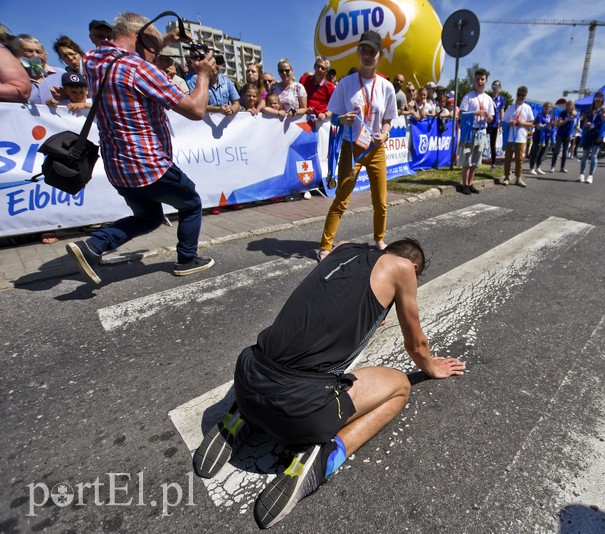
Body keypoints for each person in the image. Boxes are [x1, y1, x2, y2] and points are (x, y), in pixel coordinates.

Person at [193, 238, 466, 529]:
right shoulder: (403, 269)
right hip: (301, 411)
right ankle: (323, 457)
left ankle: (242, 417)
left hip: (248, 377)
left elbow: (335, 299)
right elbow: (416, 344)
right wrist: (432, 367)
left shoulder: (345, 248)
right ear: (413, 266)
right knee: (400, 387)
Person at [65, 12, 217, 284]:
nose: (155, 54)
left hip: (117, 168)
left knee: (148, 217)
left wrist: (167, 38)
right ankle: (187, 260)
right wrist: (203, 74)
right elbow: (195, 109)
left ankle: (92, 247)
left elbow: (126, 48)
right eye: (154, 47)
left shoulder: (92, 60)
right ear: (140, 37)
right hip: (148, 164)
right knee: (191, 203)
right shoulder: (140, 69)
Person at [318, 30, 397, 260]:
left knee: (381, 201)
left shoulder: (386, 87)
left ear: (379, 55)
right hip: (351, 148)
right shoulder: (346, 83)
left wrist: (384, 134)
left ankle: (380, 239)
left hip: (375, 149)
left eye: (371, 51)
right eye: (363, 49)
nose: (367, 55)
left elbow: (388, 120)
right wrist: (342, 119)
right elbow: (333, 115)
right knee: (342, 198)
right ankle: (325, 245)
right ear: (358, 52)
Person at [457, 68, 494, 194]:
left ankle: (471, 183)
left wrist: (489, 117)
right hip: (469, 132)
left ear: (486, 80)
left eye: (482, 79)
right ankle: (464, 184)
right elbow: (461, 114)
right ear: (474, 80)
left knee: (476, 160)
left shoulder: (488, 99)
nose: (480, 82)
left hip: (481, 132)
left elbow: (491, 118)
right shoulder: (469, 96)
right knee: (467, 157)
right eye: (478, 79)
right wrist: (475, 113)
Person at [11, 34, 65, 105]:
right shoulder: (10, 78)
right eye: (29, 51)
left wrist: (64, 97)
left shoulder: (62, 74)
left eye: (39, 52)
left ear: (45, 54)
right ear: (17, 54)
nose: (35, 56)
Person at [501, 86, 533, 187]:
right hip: (510, 137)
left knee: (519, 159)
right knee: (508, 158)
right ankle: (506, 177)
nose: (520, 97)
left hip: (521, 137)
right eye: (519, 95)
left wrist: (522, 123)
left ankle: (518, 178)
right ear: (516, 95)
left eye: (522, 95)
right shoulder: (510, 108)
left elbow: (531, 123)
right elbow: (503, 121)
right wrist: (509, 123)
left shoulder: (527, 108)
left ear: (525, 96)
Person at [578, 91, 605, 184]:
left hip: (597, 133)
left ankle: (590, 175)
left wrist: (601, 136)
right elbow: (586, 121)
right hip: (588, 134)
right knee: (585, 155)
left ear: (602, 99)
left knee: (594, 155)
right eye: (596, 98)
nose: (598, 100)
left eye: (600, 98)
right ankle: (582, 174)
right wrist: (587, 124)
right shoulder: (590, 110)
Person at [299, 56, 335, 121]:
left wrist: (325, 115)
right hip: (303, 118)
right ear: (314, 66)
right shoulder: (303, 80)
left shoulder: (330, 87)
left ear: (326, 71)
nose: (319, 69)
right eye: (318, 66)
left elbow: (334, 108)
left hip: (320, 121)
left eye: (323, 68)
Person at [550, 100, 577, 173]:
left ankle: (562, 167)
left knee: (565, 152)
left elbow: (575, 124)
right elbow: (559, 123)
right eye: (568, 105)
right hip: (560, 133)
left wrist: (574, 118)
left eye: (571, 105)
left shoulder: (574, 114)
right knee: (557, 150)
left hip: (568, 134)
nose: (569, 106)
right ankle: (553, 166)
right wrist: (567, 119)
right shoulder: (563, 113)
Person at [529, 101, 553, 175]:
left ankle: (538, 167)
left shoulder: (550, 117)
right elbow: (538, 127)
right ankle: (532, 168)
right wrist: (548, 124)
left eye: (549, 108)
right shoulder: (540, 116)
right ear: (543, 107)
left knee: (542, 153)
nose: (547, 109)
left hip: (547, 137)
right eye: (546, 107)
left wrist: (553, 125)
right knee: (536, 153)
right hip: (538, 137)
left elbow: (552, 127)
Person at [487, 80, 505, 171]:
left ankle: (493, 164)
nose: (495, 87)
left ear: (500, 88)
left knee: (492, 145)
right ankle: (476, 164)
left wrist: (501, 123)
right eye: (494, 85)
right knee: (481, 144)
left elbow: (502, 111)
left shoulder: (501, 99)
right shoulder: (488, 97)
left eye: (497, 85)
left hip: (495, 124)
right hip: (486, 123)